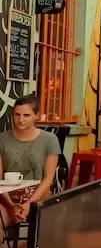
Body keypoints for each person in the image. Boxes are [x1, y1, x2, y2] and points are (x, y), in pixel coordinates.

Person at [0, 94, 61, 227]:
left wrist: (29, 204)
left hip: (38, 196)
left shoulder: (49, 140)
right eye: (17, 115)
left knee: (47, 229)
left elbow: (48, 179)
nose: (21, 120)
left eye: (26, 115)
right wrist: (10, 206)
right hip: (7, 198)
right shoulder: (2, 140)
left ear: (37, 115)